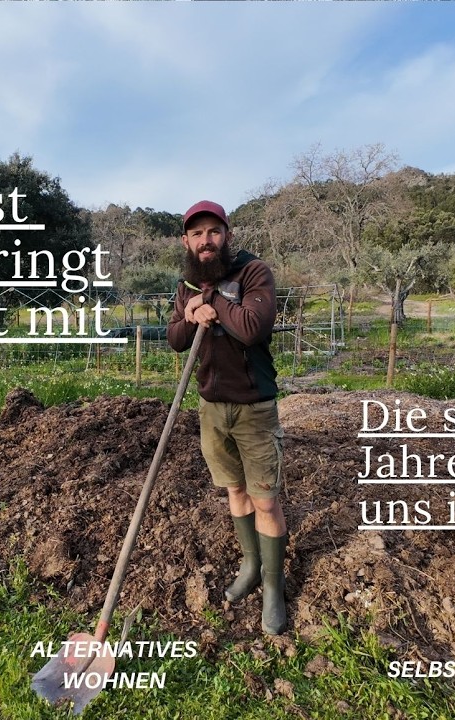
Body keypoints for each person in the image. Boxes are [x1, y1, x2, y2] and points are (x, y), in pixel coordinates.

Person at [167, 200, 288, 635]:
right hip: (212, 408)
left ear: (227, 235)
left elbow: (253, 328)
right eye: (197, 234)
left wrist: (212, 299)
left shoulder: (253, 272)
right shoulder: (185, 284)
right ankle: (250, 564)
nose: (206, 241)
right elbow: (175, 339)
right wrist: (191, 314)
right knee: (234, 489)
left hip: (254, 406)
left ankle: (274, 586)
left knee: (265, 499)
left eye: (214, 232)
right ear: (186, 241)